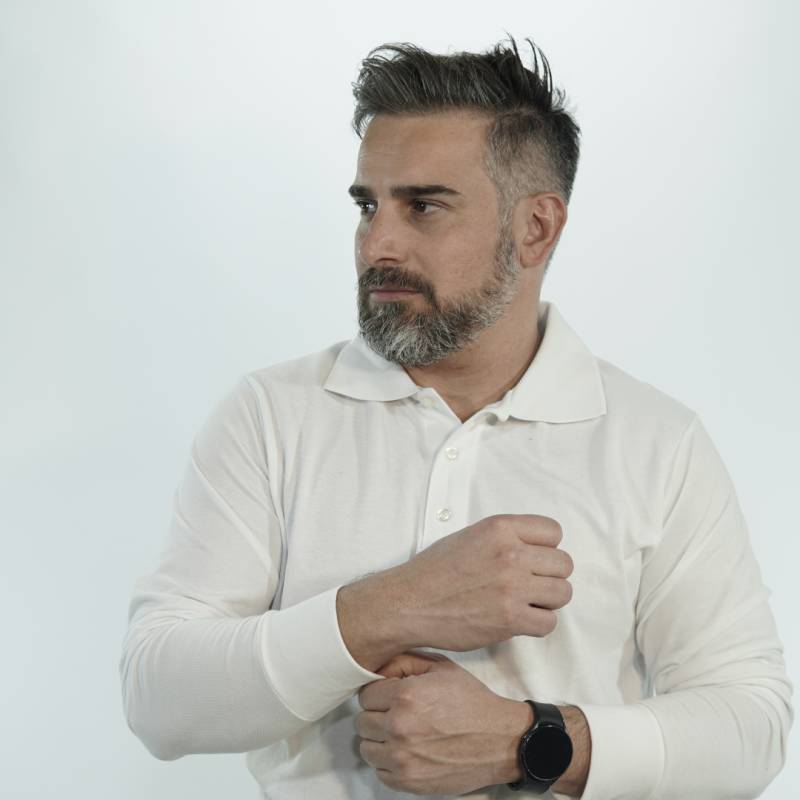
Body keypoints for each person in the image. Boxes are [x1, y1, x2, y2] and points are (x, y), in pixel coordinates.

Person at [119, 37, 793, 799]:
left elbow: (753, 727)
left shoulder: (656, 442)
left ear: (535, 228)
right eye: (367, 205)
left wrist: (530, 741)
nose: (378, 243)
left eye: (424, 206)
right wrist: (391, 606)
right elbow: (157, 699)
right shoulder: (270, 415)